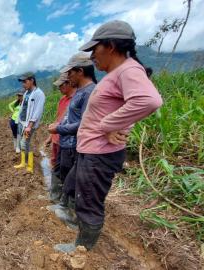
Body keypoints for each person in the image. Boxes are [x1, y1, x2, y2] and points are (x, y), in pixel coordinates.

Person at [55, 21, 162, 253]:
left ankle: (82, 249)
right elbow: (124, 104)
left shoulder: (128, 69)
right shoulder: (117, 73)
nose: (92, 55)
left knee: (90, 202)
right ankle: (76, 227)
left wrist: (109, 124)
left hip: (99, 153)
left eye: (95, 49)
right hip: (91, 150)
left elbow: (149, 100)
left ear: (111, 46)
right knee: (75, 186)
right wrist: (117, 122)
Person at [46, 53, 97, 231]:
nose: (68, 77)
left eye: (70, 73)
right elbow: (71, 118)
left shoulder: (90, 93)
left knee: (73, 181)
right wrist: (59, 124)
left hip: (75, 144)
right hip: (67, 143)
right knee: (67, 177)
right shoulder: (81, 92)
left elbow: (84, 123)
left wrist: (59, 129)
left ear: (80, 71)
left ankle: (73, 216)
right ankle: (64, 206)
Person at [42, 73, 76, 192]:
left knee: (64, 167)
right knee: (55, 164)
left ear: (69, 83)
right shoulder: (63, 99)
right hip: (57, 138)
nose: (59, 88)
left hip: (68, 141)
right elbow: (58, 120)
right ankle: (54, 189)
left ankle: (62, 194)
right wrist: (50, 138)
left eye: (61, 85)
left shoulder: (76, 99)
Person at [14, 72, 46, 173]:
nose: (23, 84)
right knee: (22, 143)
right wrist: (18, 121)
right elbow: (23, 108)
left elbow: (37, 111)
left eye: (25, 82)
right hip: (22, 122)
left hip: (29, 125)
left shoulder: (39, 94)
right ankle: (23, 163)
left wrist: (30, 126)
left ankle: (30, 167)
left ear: (32, 80)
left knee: (25, 145)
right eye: (22, 82)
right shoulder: (26, 93)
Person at [9, 88, 26, 153]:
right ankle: (15, 146)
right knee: (15, 134)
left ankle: (18, 147)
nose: (19, 97)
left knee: (19, 134)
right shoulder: (17, 102)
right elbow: (10, 105)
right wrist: (13, 111)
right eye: (19, 95)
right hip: (13, 120)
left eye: (21, 95)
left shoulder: (26, 103)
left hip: (20, 121)